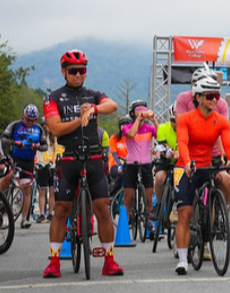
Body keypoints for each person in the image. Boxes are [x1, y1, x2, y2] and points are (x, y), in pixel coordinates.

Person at [42, 49, 123, 278]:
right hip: (68, 159)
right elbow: (55, 128)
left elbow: (113, 105)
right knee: (61, 210)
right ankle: (54, 262)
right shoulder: (53, 97)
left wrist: (94, 109)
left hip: (94, 159)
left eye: (82, 70)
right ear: (64, 72)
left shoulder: (93, 95)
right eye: (73, 71)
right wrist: (80, 119)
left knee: (103, 210)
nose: (78, 74)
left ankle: (109, 261)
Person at [174, 75, 230, 275]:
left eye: (217, 96)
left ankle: (218, 214)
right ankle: (183, 260)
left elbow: (228, 145)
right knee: (185, 214)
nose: (214, 100)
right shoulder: (185, 119)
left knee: (226, 181)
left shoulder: (221, 121)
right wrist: (187, 162)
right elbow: (182, 143)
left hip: (207, 166)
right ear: (198, 97)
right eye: (210, 96)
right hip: (186, 167)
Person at [0, 104, 49, 228]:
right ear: (23, 116)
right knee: (8, 177)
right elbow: (3, 139)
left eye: (33, 120)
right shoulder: (15, 125)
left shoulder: (39, 129)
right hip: (14, 158)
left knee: (27, 189)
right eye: (28, 119)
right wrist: (14, 143)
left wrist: (37, 147)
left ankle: (24, 219)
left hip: (29, 161)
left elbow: (45, 146)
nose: (30, 122)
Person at [122, 100, 158, 234]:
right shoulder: (127, 127)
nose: (142, 111)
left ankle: (150, 224)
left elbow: (160, 136)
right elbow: (131, 134)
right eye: (138, 109)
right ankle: (126, 224)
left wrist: (154, 120)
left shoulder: (150, 128)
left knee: (148, 198)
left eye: (144, 109)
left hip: (146, 164)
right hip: (131, 164)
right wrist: (138, 119)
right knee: (128, 198)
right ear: (132, 113)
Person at [34, 118, 58, 222]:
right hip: (41, 165)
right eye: (44, 125)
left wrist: (53, 161)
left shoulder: (54, 137)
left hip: (51, 166)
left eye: (47, 125)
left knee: (52, 191)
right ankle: (41, 213)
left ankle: (50, 213)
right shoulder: (38, 137)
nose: (45, 127)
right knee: (42, 191)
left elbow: (56, 151)